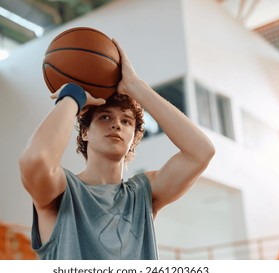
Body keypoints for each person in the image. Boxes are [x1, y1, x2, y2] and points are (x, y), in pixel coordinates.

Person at [19, 39, 215, 260]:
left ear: (133, 139)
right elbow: (35, 160)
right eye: (105, 117)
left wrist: (136, 86)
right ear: (85, 132)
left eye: (126, 121)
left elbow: (202, 151)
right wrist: (72, 96)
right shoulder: (61, 191)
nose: (116, 125)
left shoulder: (143, 195)